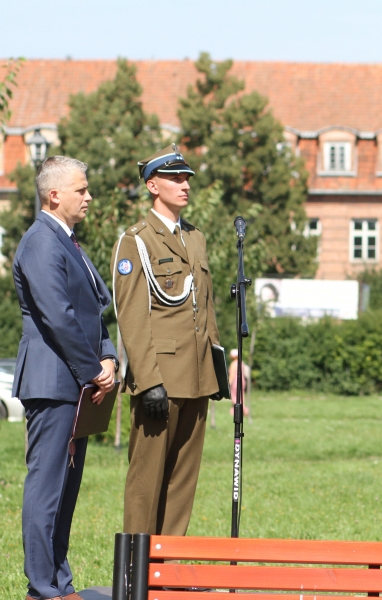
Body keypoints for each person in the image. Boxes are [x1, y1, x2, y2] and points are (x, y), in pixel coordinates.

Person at [14, 156, 118, 600]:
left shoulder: (68, 242)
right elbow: (57, 315)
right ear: (54, 194)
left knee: (66, 492)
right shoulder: (41, 242)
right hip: (54, 384)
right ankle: (42, 586)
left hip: (77, 386)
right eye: (82, 189)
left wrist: (109, 356)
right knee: (47, 489)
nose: (89, 196)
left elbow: (95, 307)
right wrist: (94, 369)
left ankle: (60, 581)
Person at [112, 144, 221, 536]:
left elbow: (205, 308)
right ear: (152, 185)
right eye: (175, 178)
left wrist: (217, 369)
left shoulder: (196, 238)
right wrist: (148, 379)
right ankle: (134, 576)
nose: (185, 185)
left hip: (196, 376)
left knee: (182, 482)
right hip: (160, 378)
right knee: (146, 481)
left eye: (187, 178)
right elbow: (132, 315)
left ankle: (167, 570)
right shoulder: (137, 241)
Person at [228, 348, 250, 416]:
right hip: (242, 381)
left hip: (235, 382)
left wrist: (229, 384)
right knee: (241, 396)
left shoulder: (234, 363)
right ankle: (237, 410)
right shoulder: (241, 362)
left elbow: (232, 375)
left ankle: (242, 410)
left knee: (235, 396)